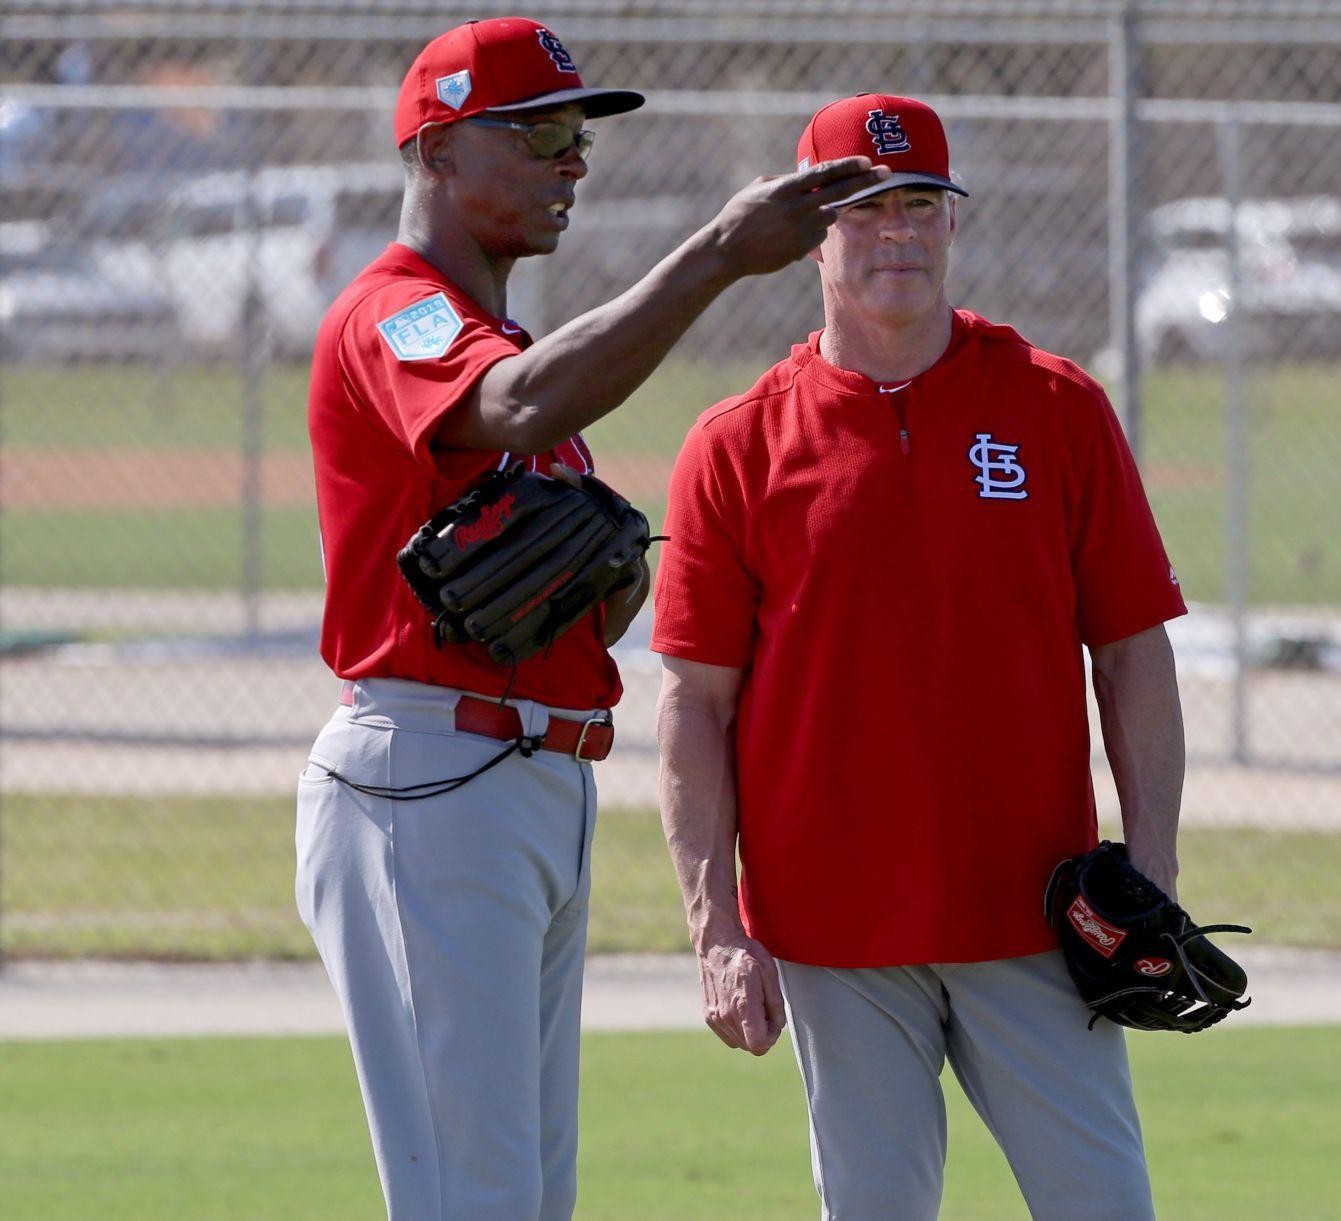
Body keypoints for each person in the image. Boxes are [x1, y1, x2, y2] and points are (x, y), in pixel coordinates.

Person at [294, 19, 885, 1221]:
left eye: (580, 139)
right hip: (432, 778)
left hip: (521, 779)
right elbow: (515, 405)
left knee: (521, 1199)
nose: (572, 161)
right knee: (475, 1199)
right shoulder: (395, 315)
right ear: (437, 151)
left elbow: (534, 455)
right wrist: (717, 254)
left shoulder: (500, 339)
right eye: (540, 135)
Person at [653, 93, 1189, 1220]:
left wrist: (1152, 863)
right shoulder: (737, 444)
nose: (895, 231)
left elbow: (1132, 653)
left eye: (919, 206)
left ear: (952, 223)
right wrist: (718, 933)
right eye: (862, 209)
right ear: (811, 232)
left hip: (1035, 915)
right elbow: (693, 707)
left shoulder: (1053, 406)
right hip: (835, 933)